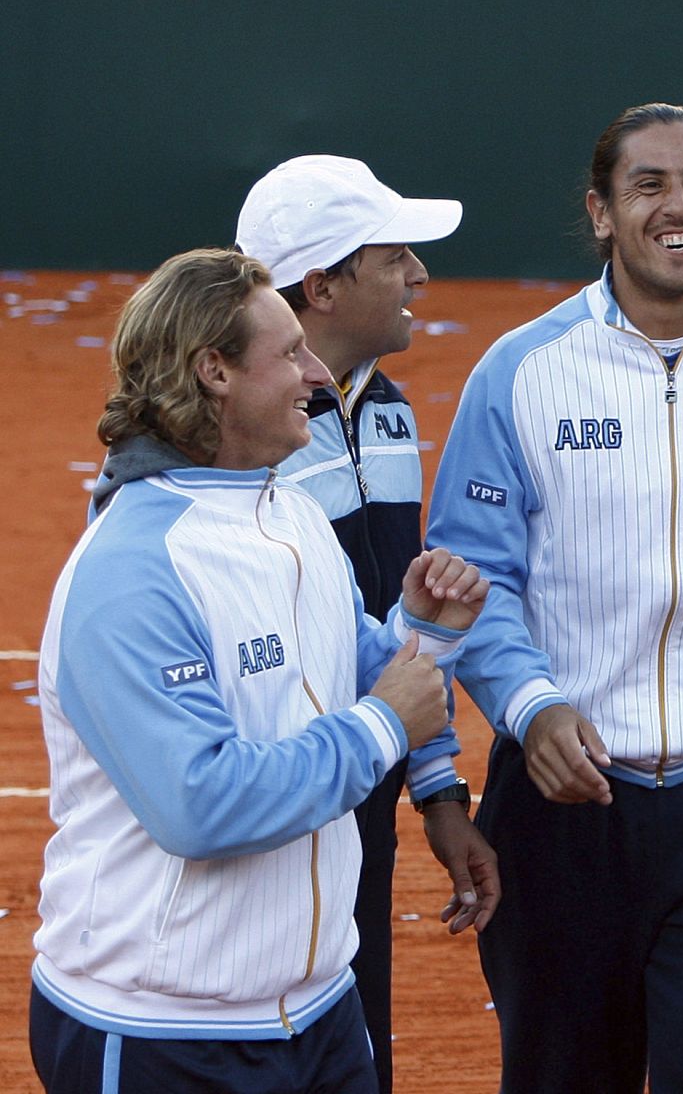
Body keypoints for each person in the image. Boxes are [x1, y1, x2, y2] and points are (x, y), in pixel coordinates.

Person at [30, 248, 488, 1093]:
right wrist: (387, 722)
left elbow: (365, 676)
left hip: (319, 1014)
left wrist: (426, 633)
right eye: (288, 354)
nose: (317, 373)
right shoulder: (133, 572)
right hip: (165, 1037)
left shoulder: (292, 517)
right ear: (214, 372)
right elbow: (200, 804)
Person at [425, 103, 683, 1092]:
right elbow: (473, 575)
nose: (676, 207)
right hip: (562, 808)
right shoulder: (520, 371)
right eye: (648, 185)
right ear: (601, 212)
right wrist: (532, 705)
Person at [236, 154, 499, 1093]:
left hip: (362, 801)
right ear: (322, 286)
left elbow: (399, 625)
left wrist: (434, 791)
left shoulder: (385, 410)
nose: (420, 276)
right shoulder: (238, 440)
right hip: (270, 820)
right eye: (395, 257)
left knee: (357, 1057)